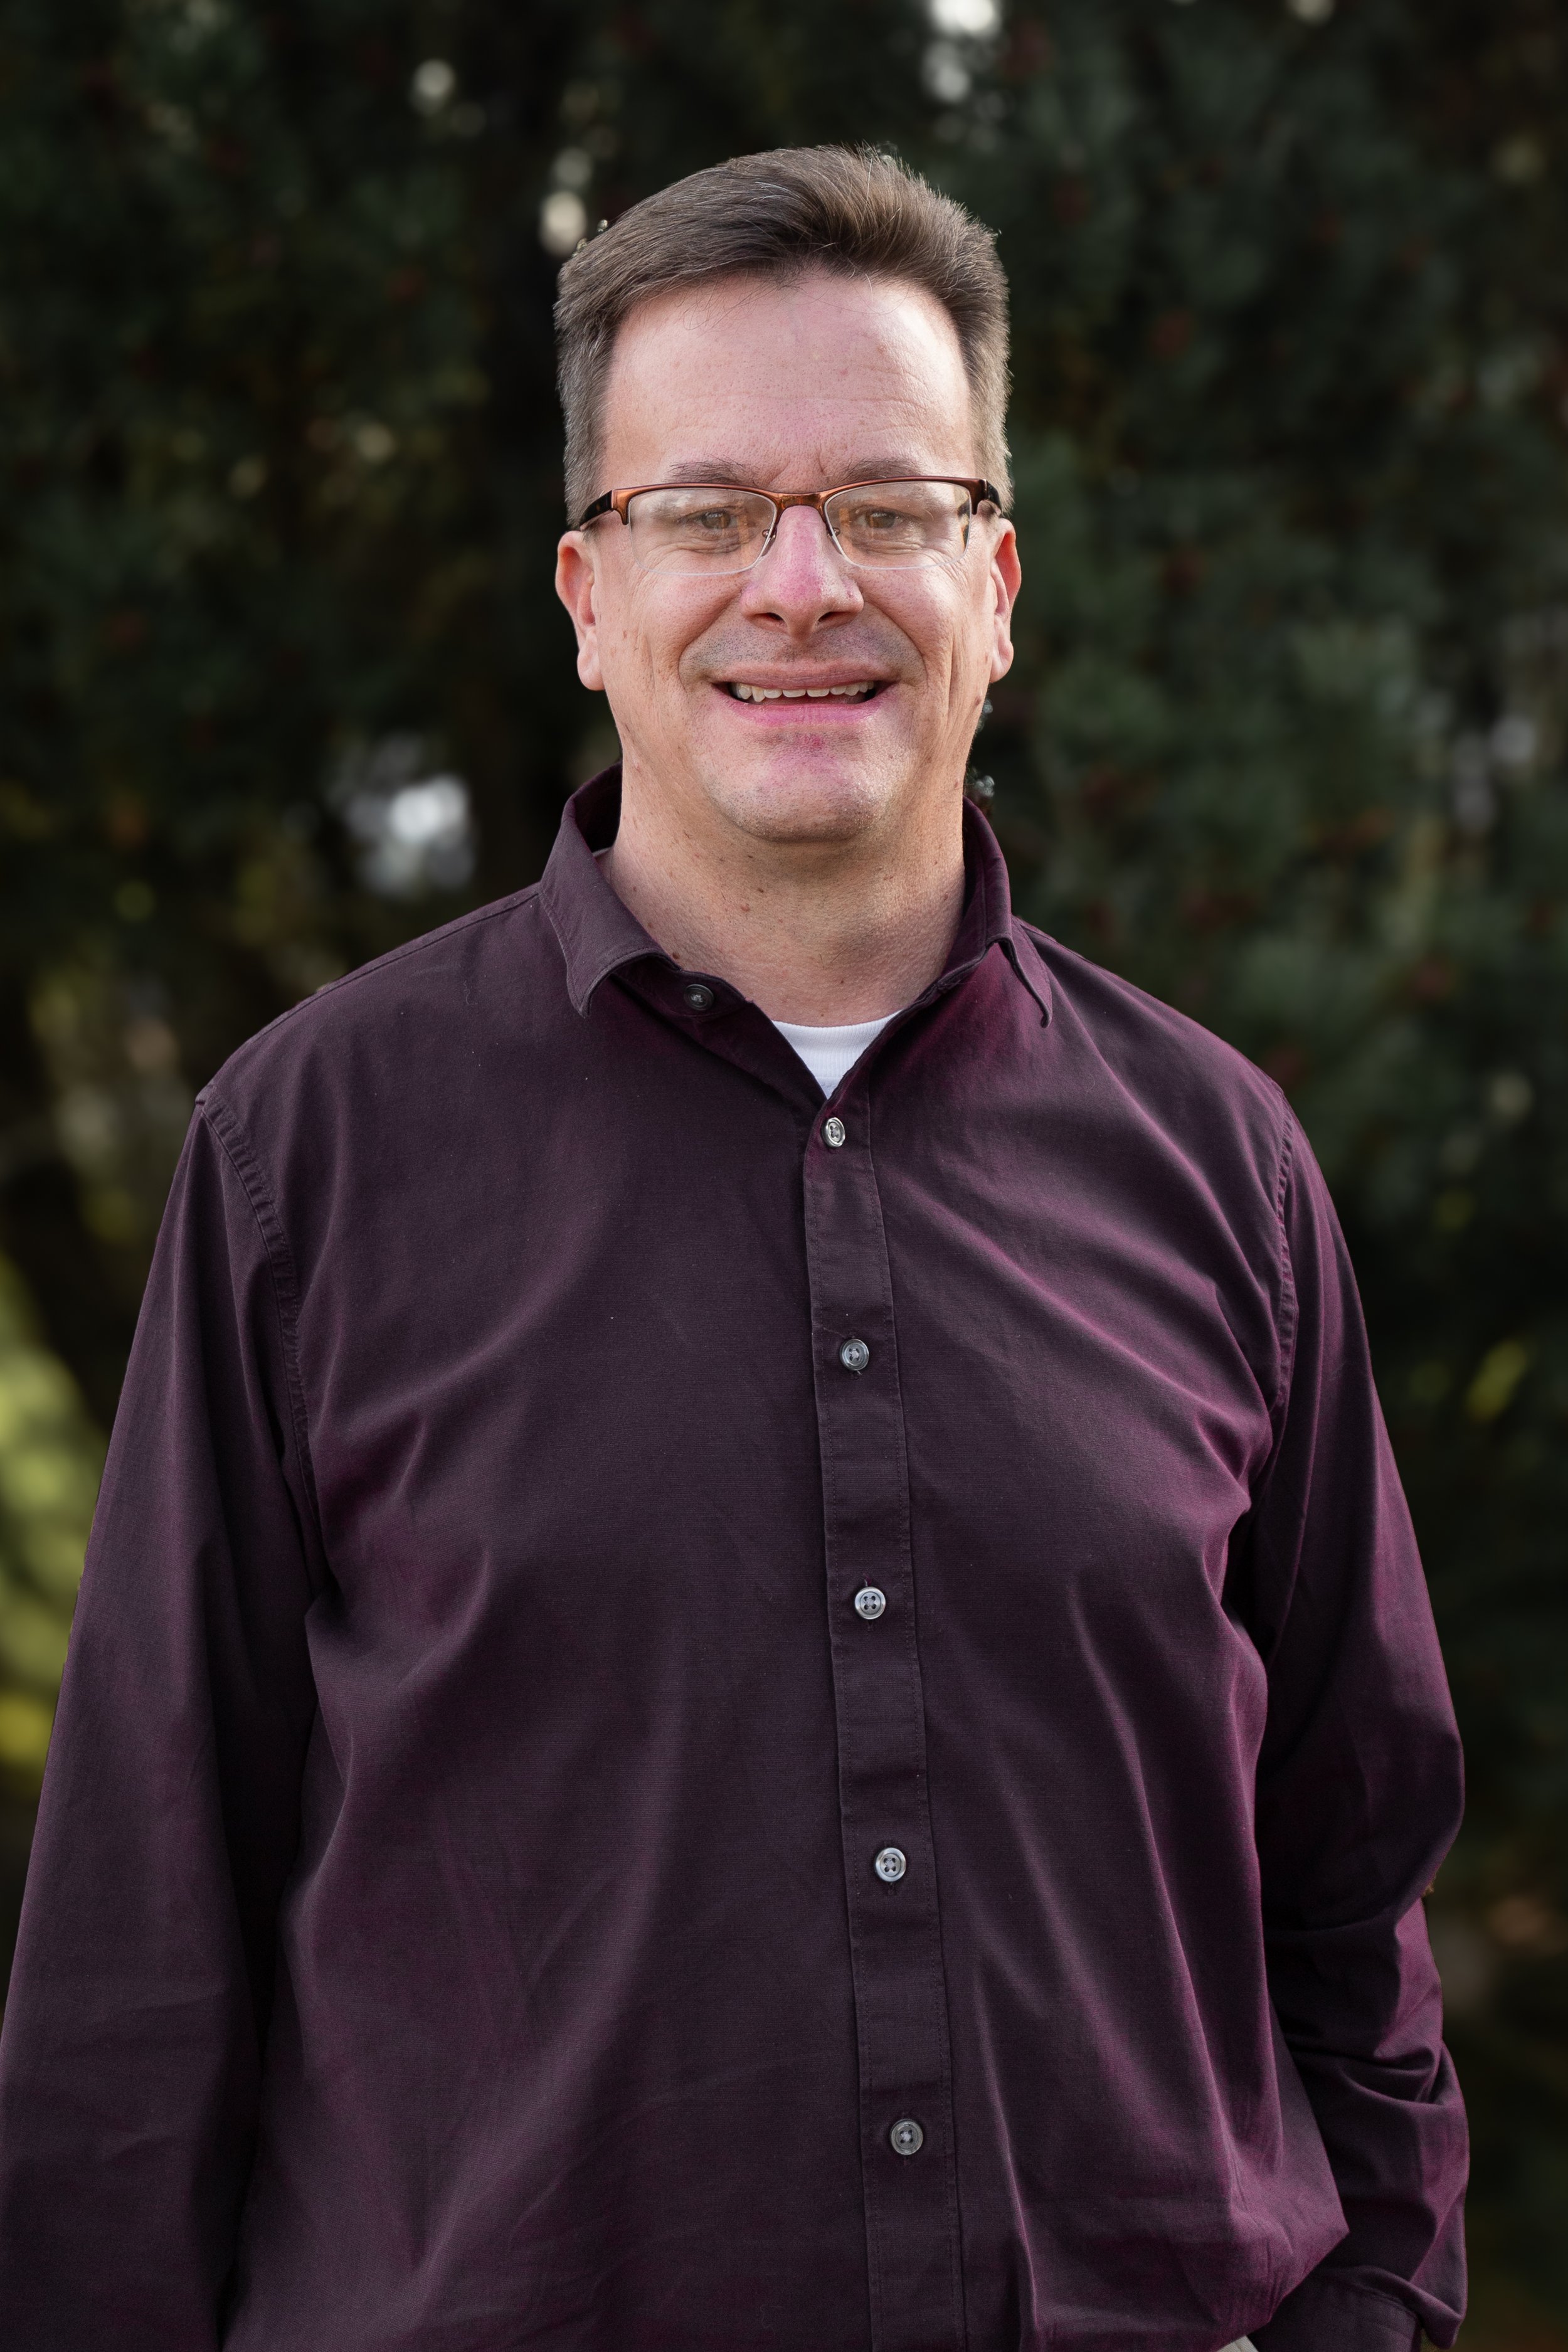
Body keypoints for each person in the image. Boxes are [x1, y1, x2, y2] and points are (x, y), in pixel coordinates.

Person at [0, 146, 1465, 2352]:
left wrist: (1371, 2312)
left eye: (886, 507)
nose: (799, 586)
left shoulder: (1217, 1163)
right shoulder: (309, 1152)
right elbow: (140, 1946)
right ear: (588, 594)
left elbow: (1355, 1873)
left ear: (995, 585)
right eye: (705, 513)